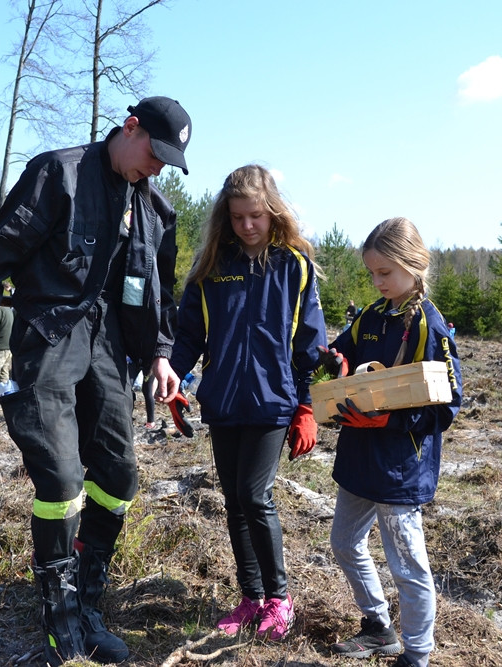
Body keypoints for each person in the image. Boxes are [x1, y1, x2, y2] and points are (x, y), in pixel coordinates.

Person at [0, 95, 192, 665]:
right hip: (52, 334)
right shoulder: (58, 173)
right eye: (154, 153)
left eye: (167, 161)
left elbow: (159, 287)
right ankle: (57, 616)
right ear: (130, 127)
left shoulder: (152, 206)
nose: (157, 167)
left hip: (110, 345)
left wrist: (160, 353)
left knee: (119, 471)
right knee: (60, 481)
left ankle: (87, 601)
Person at [166, 165, 327, 641]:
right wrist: (173, 377)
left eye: (255, 216)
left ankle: (280, 599)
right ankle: (251, 598)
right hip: (224, 399)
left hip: (274, 400)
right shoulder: (212, 269)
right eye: (237, 217)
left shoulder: (293, 266)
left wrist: (306, 406)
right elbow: (188, 334)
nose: (247, 226)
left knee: (256, 497)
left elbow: (310, 344)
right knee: (235, 501)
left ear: (272, 211)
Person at [322, 217, 461, 667]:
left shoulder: (429, 326)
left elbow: (447, 404)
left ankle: (417, 654)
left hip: (401, 468)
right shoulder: (371, 316)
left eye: (386, 272)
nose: (377, 281)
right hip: (359, 460)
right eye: (372, 273)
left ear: (413, 265)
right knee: (344, 543)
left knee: (408, 567)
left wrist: (388, 421)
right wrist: (335, 361)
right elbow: (342, 354)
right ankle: (379, 627)